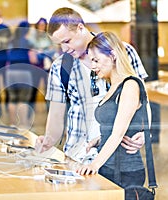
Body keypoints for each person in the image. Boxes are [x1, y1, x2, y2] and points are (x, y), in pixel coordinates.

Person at [35, 7, 148, 162]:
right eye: (59, 44)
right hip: (77, 157)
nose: (64, 49)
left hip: (119, 159)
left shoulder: (124, 52)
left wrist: (145, 133)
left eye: (67, 41)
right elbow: (55, 115)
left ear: (81, 28)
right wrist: (47, 141)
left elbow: (143, 99)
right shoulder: (59, 67)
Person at [76, 32, 149, 189]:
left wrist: (94, 165)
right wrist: (99, 140)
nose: (93, 66)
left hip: (125, 172)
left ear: (113, 55)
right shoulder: (112, 86)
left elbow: (119, 133)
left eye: (96, 60)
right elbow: (114, 127)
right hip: (108, 167)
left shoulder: (130, 84)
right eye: (91, 61)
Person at [6, 21, 34, 128]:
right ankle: (23, 124)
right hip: (24, 72)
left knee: (12, 99)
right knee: (23, 100)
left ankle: (13, 124)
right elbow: (33, 59)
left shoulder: (11, 41)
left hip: (11, 72)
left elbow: (8, 56)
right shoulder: (28, 42)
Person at [27, 18, 58, 115]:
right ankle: (30, 112)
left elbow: (53, 50)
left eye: (43, 25)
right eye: (40, 25)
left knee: (48, 90)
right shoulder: (33, 36)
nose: (42, 26)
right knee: (33, 89)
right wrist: (44, 51)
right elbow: (32, 52)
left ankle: (49, 111)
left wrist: (41, 51)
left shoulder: (48, 37)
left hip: (46, 67)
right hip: (35, 68)